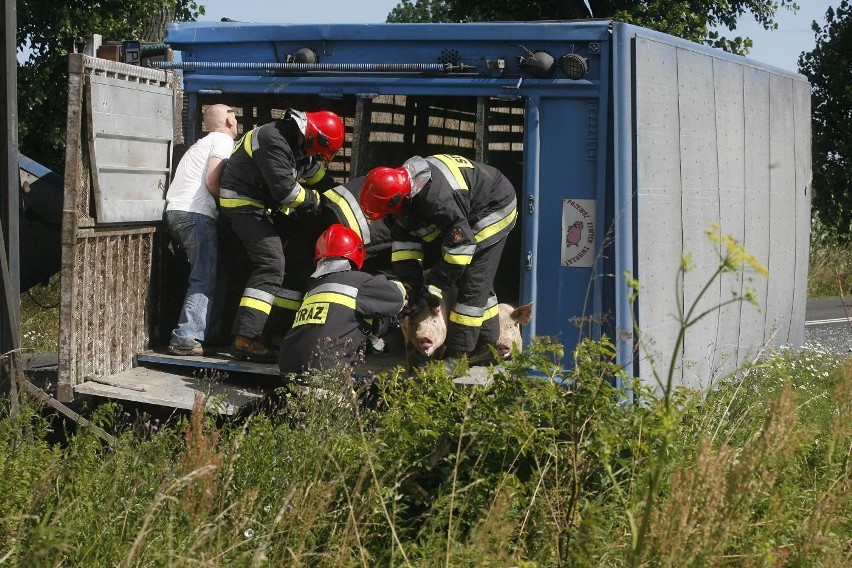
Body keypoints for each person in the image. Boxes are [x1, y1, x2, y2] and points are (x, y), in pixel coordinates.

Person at [359, 154, 518, 365]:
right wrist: (411, 289)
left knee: (472, 281)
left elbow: (461, 246)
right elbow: (405, 249)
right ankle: (486, 342)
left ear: (398, 200)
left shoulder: (436, 199)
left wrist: (435, 286)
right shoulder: (403, 195)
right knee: (473, 280)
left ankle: (456, 357)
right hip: (464, 209)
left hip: (493, 206)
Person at [217, 109, 345, 362]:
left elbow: (316, 175)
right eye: (317, 151)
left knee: (300, 258)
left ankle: (277, 332)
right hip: (242, 207)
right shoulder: (272, 140)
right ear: (311, 138)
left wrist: (338, 196)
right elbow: (287, 193)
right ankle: (246, 338)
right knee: (271, 264)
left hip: (263, 209)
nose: (316, 157)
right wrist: (319, 202)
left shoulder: (294, 143)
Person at [278, 224, 406, 377]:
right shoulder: (359, 282)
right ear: (357, 253)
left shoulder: (312, 288)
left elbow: (341, 321)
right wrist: (403, 285)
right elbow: (397, 297)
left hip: (287, 367)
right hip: (324, 370)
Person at [164, 104, 238, 356]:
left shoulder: (200, 144)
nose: (236, 122)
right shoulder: (222, 140)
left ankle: (209, 334)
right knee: (204, 276)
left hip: (177, 213)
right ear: (228, 120)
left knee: (212, 273)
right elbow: (212, 180)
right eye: (234, 117)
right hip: (196, 214)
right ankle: (185, 337)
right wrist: (229, 204)